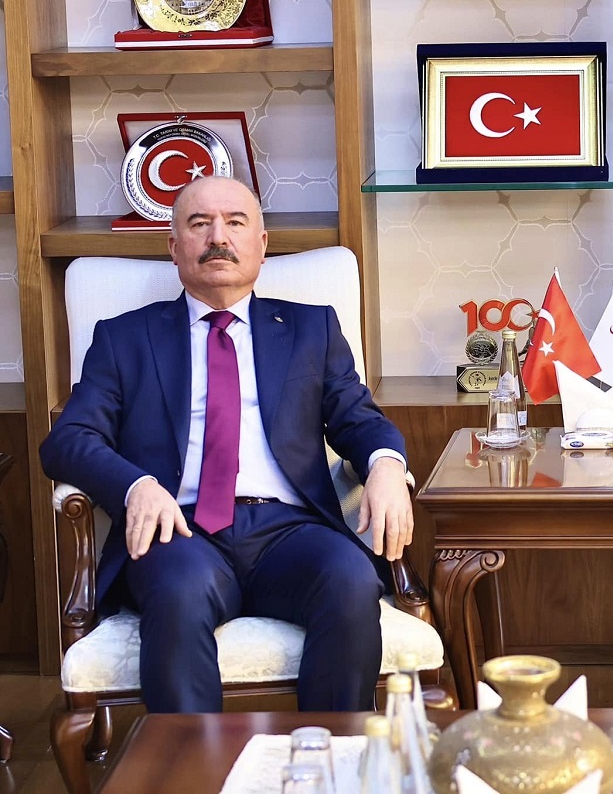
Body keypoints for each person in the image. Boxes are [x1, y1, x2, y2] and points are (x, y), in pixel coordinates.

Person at [41, 176, 416, 714]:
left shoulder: (311, 329)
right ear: (174, 247)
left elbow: (358, 419)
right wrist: (135, 486)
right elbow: (69, 440)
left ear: (261, 244)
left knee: (350, 579)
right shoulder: (124, 338)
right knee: (179, 591)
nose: (218, 236)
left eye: (235, 222)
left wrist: (385, 465)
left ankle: (334, 751)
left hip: (290, 530)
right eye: (199, 223)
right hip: (180, 530)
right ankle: (194, 760)